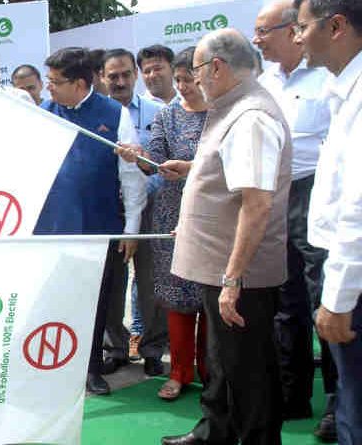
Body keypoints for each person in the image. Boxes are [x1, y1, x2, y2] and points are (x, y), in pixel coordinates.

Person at [159, 29, 292, 445]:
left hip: (237, 275)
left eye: (196, 71)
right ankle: (215, 432)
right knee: (224, 362)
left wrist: (233, 280)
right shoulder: (233, 108)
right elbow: (229, 180)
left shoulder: (250, 117)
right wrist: (193, 170)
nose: (194, 81)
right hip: (219, 266)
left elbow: (256, 205)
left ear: (215, 67)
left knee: (248, 372)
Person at [35, 47, 146, 396]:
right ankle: (55, 368)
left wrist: (131, 229)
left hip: (99, 228)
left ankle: (92, 368)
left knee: (96, 304)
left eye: (55, 81)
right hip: (52, 231)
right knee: (56, 302)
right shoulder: (44, 114)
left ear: (80, 83)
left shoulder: (115, 115)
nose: (49, 87)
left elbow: (131, 177)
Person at [252, 0, 337, 431]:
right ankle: (293, 393)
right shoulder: (262, 82)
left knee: (325, 292)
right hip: (272, 193)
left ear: (291, 31)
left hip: (315, 190)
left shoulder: (328, 76)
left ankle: (338, 403)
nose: (257, 40)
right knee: (284, 300)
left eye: (264, 31)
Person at [118, 47, 209, 401]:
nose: (184, 86)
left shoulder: (224, 113)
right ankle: (180, 371)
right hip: (173, 216)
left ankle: (211, 370)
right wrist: (137, 155)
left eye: (190, 79)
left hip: (214, 215)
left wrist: (193, 167)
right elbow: (153, 160)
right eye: (182, 80)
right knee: (177, 296)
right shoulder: (168, 114)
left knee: (212, 299)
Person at [294, 1, 362, 443]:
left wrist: (337, 297)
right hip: (347, 273)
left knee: (356, 409)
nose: (297, 37)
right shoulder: (344, 89)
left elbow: (358, 206)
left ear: (335, 26)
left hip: (353, 281)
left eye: (301, 27)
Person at [101, 48, 166, 377]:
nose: (120, 81)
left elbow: (159, 165)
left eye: (126, 74)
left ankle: (154, 348)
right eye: (113, 76)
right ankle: (116, 346)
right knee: (111, 282)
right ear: (102, 78)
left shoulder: (158, 112)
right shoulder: (101, 115)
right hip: (111, 208)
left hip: (152, 207)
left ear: (136, 75)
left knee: (151, 279)